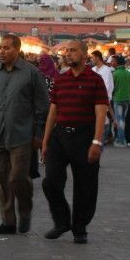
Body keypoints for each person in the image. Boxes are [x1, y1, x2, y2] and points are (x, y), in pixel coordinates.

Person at [0, 34, 50, 235]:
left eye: (6, 48)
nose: (1, 52)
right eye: (0, 48)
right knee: (3, 180)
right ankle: (8, 221)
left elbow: (42, 107)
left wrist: (39, 133)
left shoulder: (32, 74)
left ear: (17, 49)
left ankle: (24, 210)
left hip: (22, 135)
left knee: (18, 178)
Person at [40, 39, 109, 244]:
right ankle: (62, 221)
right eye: (66, 51)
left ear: (85, 55)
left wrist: (97, 142)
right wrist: (45, 141)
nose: (68, 54)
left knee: (85, 185)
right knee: (50, 181)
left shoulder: (95, 80)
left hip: (85, 136)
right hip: (60, 136)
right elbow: (53, 111)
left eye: (73, 51)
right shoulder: (61, 80)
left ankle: (80, 227)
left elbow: (101, 112)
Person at [110, 55, 130, 147]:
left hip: (118, 99)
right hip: (127, 99)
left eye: (113, 61)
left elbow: (112, 87)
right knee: (123, 120)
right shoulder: (129, 73)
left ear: (117, 63)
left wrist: (113, 94)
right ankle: (120, 139)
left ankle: (121, 140)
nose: (112, 62)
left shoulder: (115, 74)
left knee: (119, 120)